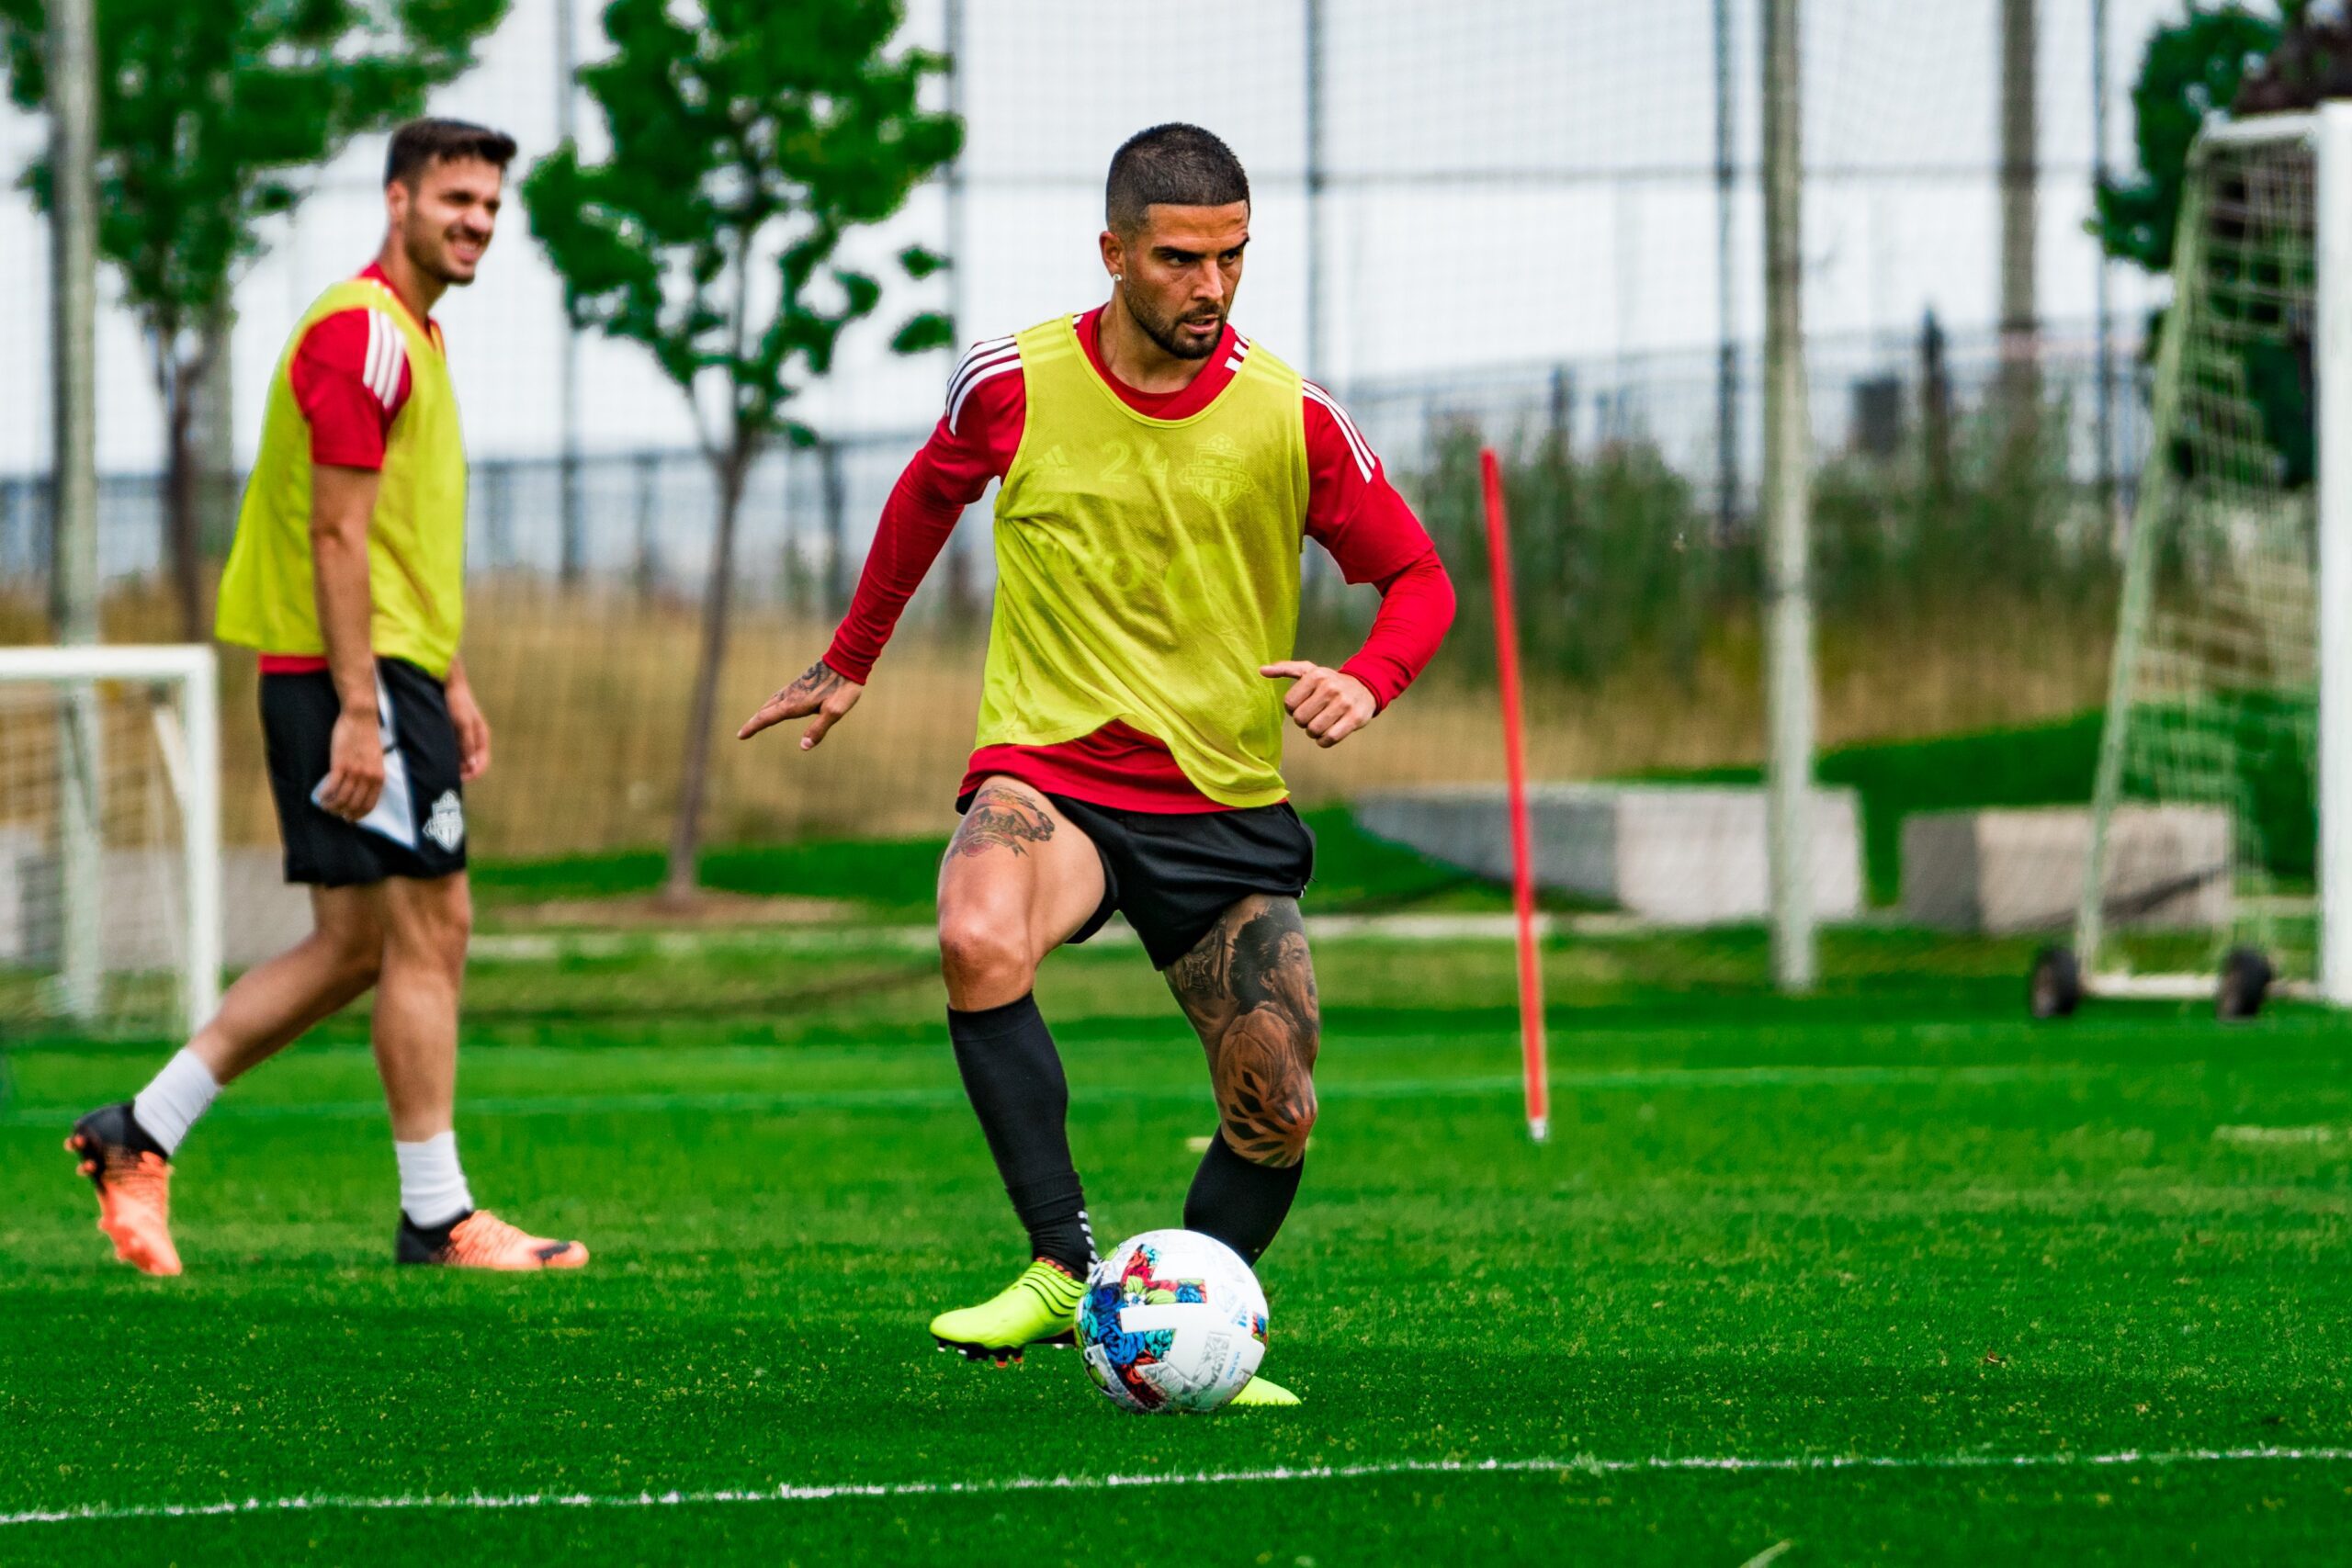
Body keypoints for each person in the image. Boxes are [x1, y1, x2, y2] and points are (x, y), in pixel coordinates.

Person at [740, 123, 1453, 1404]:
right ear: (1115, 251)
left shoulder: (1290, 413)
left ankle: (1189, 1337)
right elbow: (925, 494)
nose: (1213, 286)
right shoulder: (1014, 381)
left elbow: (1417, 576)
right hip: (1051, 772)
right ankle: (1062, 1262)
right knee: (973, 928)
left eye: (1233, 256)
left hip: (1222, 803)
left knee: (1276, 1103)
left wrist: (1370, 675)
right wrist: (849, 657)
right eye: (1181, 258)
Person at [64, 119, 587, 1276]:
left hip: (392, 673)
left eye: (492, 206)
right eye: (456, 197)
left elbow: (394, 537)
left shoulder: (413, 338)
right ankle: (438, 1216)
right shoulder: (361, 336)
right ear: (396, 199)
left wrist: (449, 680)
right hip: (348, 676)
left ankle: (137, 1132)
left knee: (357, 942)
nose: (477, 223)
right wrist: (364, 705)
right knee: (429, 928)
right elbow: (337, 531)